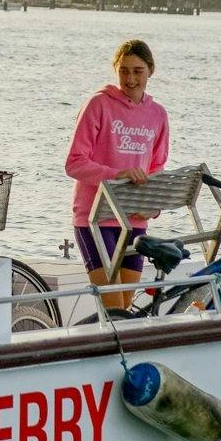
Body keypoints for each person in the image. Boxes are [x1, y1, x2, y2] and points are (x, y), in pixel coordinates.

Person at [65, 38, 171, 312]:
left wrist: (153, 207)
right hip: (95, 217)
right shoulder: (98, 104)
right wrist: (117, 175)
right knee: (114, 308)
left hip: (134, 220)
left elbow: (156, 168)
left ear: (150, 71)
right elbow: (74, 164)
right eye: (124, 70)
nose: (130, 78)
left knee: (124, 308)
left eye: (137, 70)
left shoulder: (158, 114)